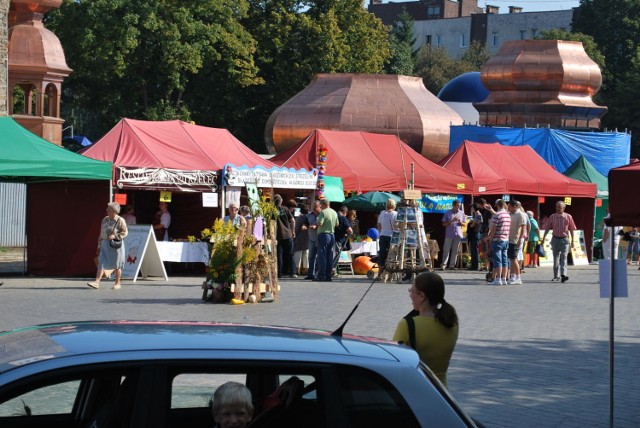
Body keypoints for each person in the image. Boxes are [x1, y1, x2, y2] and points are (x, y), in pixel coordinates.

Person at [392, 272, 458, 387]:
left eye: (412, 291)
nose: (410, 295)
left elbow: (393, 360)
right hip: (442, 391)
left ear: (422, 296)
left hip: (417, 389)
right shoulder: (452, 321)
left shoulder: (408, 324)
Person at [87, 202, 128, 290]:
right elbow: (101, 234)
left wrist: (115, 236)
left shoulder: (120, 220)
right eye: (107, 209)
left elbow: (125, 232)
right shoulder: (105, 219)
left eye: (109, 209)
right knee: (101, 262)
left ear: (114, 211)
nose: (107, 211)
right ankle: (97, 282)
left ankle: (117, 283)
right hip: (105, 244)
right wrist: (99, 245)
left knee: (117, 265)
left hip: (116, 245)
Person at [541, 201, 577, 283]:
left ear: (564, 208)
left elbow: (572, 229)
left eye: (559, 207)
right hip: (555, 239)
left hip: (565, 239)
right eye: (557, 207)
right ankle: (555, 276)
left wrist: (573, 240)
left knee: (564, 257)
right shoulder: (552, 216)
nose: (557, 208)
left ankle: (563, 275)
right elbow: (547, 228)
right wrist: (543, 238)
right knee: (556, 258)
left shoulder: (568, 217)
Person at [484, 199, 510, 285]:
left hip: (497, 240)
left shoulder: (497, 216)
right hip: (505, 239)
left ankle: (498, 279)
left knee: (497, 261)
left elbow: (494, 229)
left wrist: (488, 238)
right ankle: (504, 279)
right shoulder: (507, 215)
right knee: (504, 260)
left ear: (497, 205)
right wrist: (491, 210)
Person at [314, 199, 338, 282]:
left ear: (323, 205)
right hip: (332, 234)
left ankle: (321, 275)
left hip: (323, 234)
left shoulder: (323, 212)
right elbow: (337, 224)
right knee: (329, 256)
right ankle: (328, 275)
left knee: (322, 256)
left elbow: (320, 223)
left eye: (320, 205)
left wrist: (317, 220)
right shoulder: (334, 212)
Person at [440, 200, 466, 270]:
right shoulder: (447, 213)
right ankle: (444, 265)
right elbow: (443, 224)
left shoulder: (462, 213)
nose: (459, 207)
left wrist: (460, 222)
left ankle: (452, 265)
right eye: (457, 205)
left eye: (459, 205)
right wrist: (452, 221)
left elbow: (464, 224)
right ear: (453, 205)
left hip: (458, 234)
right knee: (446, 250)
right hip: (449, 234)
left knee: (455, 250)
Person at [274, 195, 295, 278]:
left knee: (279, 254)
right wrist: (293, 231)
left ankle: (279, 273)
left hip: (277, 235)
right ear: (281, 201)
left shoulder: (272, 210)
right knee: (290, 254)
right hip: (288, 234)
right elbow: (292, 221)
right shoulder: (285, 209)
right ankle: (293, 272)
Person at [506, 200, 527, 285]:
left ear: (514, 206)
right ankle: (513, 276)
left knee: (514, 259)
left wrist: (520, 239)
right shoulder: (510, 214)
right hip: (509, 239)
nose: (508, 208)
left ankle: (518, 277)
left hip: (515, 239)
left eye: (509, 206)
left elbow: (523, 228)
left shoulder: (520, 214)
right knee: (511, 259)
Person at [377, 198, 397, 268]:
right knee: (391, 254)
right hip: (391, 235)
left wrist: (380, 232)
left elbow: (379, 224)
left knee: (382, 253)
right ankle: (390, 269)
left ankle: (380, 271)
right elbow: (397, 225)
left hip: (382, 235)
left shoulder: (382, 213)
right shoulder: (395, 214)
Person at [304, 201, 321, 280]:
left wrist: (316, 226)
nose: (313, 208)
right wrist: (305, 226)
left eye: (315, 207)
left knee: (320, 257)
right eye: (313, 206)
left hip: (320, 238)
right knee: (311, 257)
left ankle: (318, 274)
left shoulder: (322, 215)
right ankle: (311, 274)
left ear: (319, 206)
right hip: (312, 238)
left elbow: (323, 223)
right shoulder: (309, 215)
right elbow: (306, 223)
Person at [293, 205, 310, 278]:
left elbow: (296, 228)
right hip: (308, 238)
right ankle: (306, 269)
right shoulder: (310, 217)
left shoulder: (299, 218)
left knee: (298, 255)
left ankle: (297, 270)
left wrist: (294, 235)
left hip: (300, 238)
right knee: (306, 255)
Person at [467, 202, 483, 271]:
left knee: (475, 250)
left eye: (472, 207)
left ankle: (475, 266)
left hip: (476, 233)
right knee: (472, 250)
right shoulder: (475, 215)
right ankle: (473, 265)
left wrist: (472, 222)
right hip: (473, 233)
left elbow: (474, 225)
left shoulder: (479, 215)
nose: (471, 209)